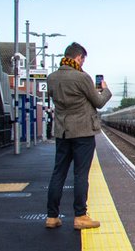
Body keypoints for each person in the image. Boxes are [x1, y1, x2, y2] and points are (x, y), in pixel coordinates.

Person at [44, 42, 112, 229]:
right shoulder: (82, 78)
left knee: (58, 173)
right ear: (78, 57)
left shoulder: (52, 78)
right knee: (81, 174)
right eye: (83, 59)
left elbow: (56, 99)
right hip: (83, 132)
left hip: (62, 132)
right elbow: (98, 102)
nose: (83, 63)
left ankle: (52, 216)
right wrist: (105, 90)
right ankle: (80, 216)